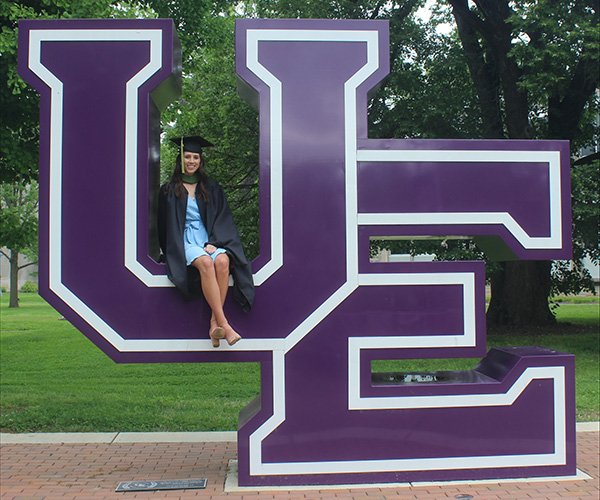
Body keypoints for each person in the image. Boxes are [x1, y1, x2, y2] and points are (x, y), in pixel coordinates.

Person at [157, 135, 254, 347]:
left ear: (201, 161)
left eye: (195, 157)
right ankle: (225, 324)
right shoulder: (169, 190)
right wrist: (170, 250)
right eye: (187, 157)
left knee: (222, 261)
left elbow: (223, 218)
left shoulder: (210, 188)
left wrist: (214, 241)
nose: (191, 161)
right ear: (180, 159)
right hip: (183, 241)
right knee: (206, 263)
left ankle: (214, 325)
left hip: (207, 239)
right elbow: (163, 225)